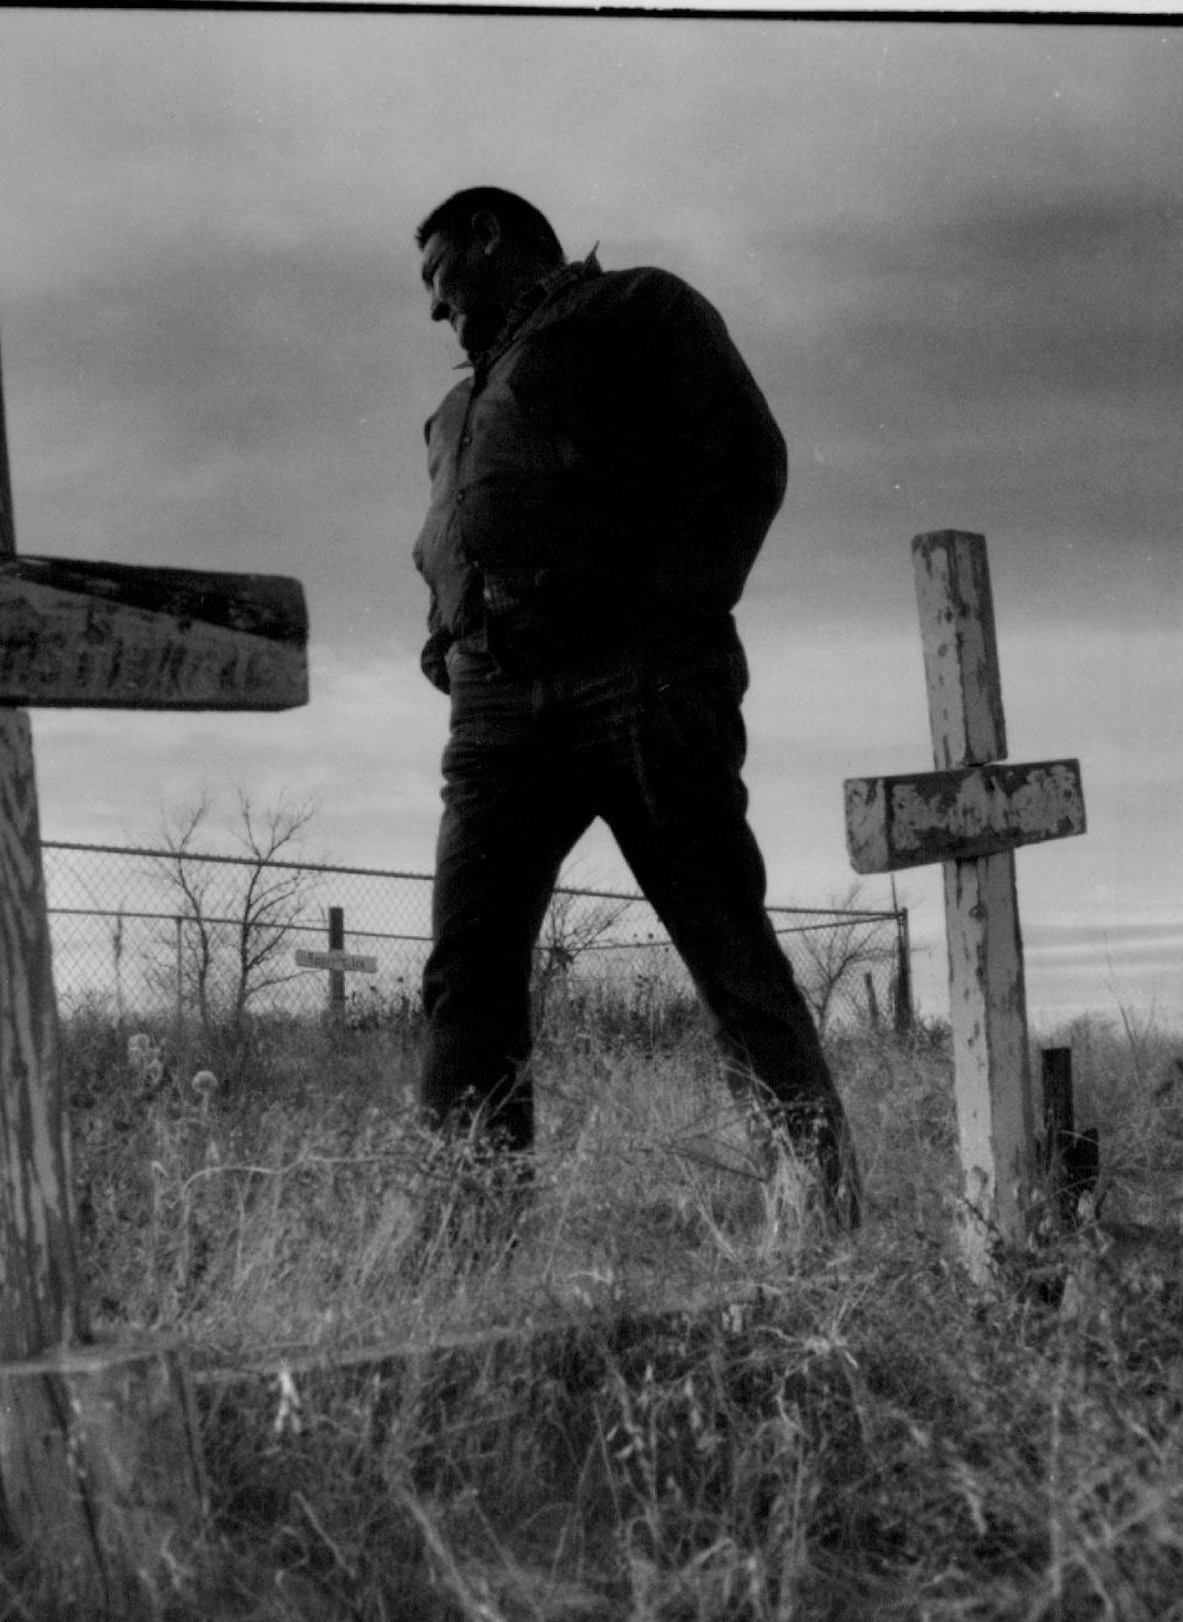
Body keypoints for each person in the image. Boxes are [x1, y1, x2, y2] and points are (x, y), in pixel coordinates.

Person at [408, 185, 859, 1228]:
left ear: (491, 235)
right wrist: (447, 637)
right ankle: (468, 1236)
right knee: (466, 970)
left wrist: (658, 616)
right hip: (494, 707)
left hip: (638, 678)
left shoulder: (635, 309)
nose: (433, 307)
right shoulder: (454, 413)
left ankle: (818, 1221)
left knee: (724, 941)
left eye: (439, 276)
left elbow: (748, 458)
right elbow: (447, 540)